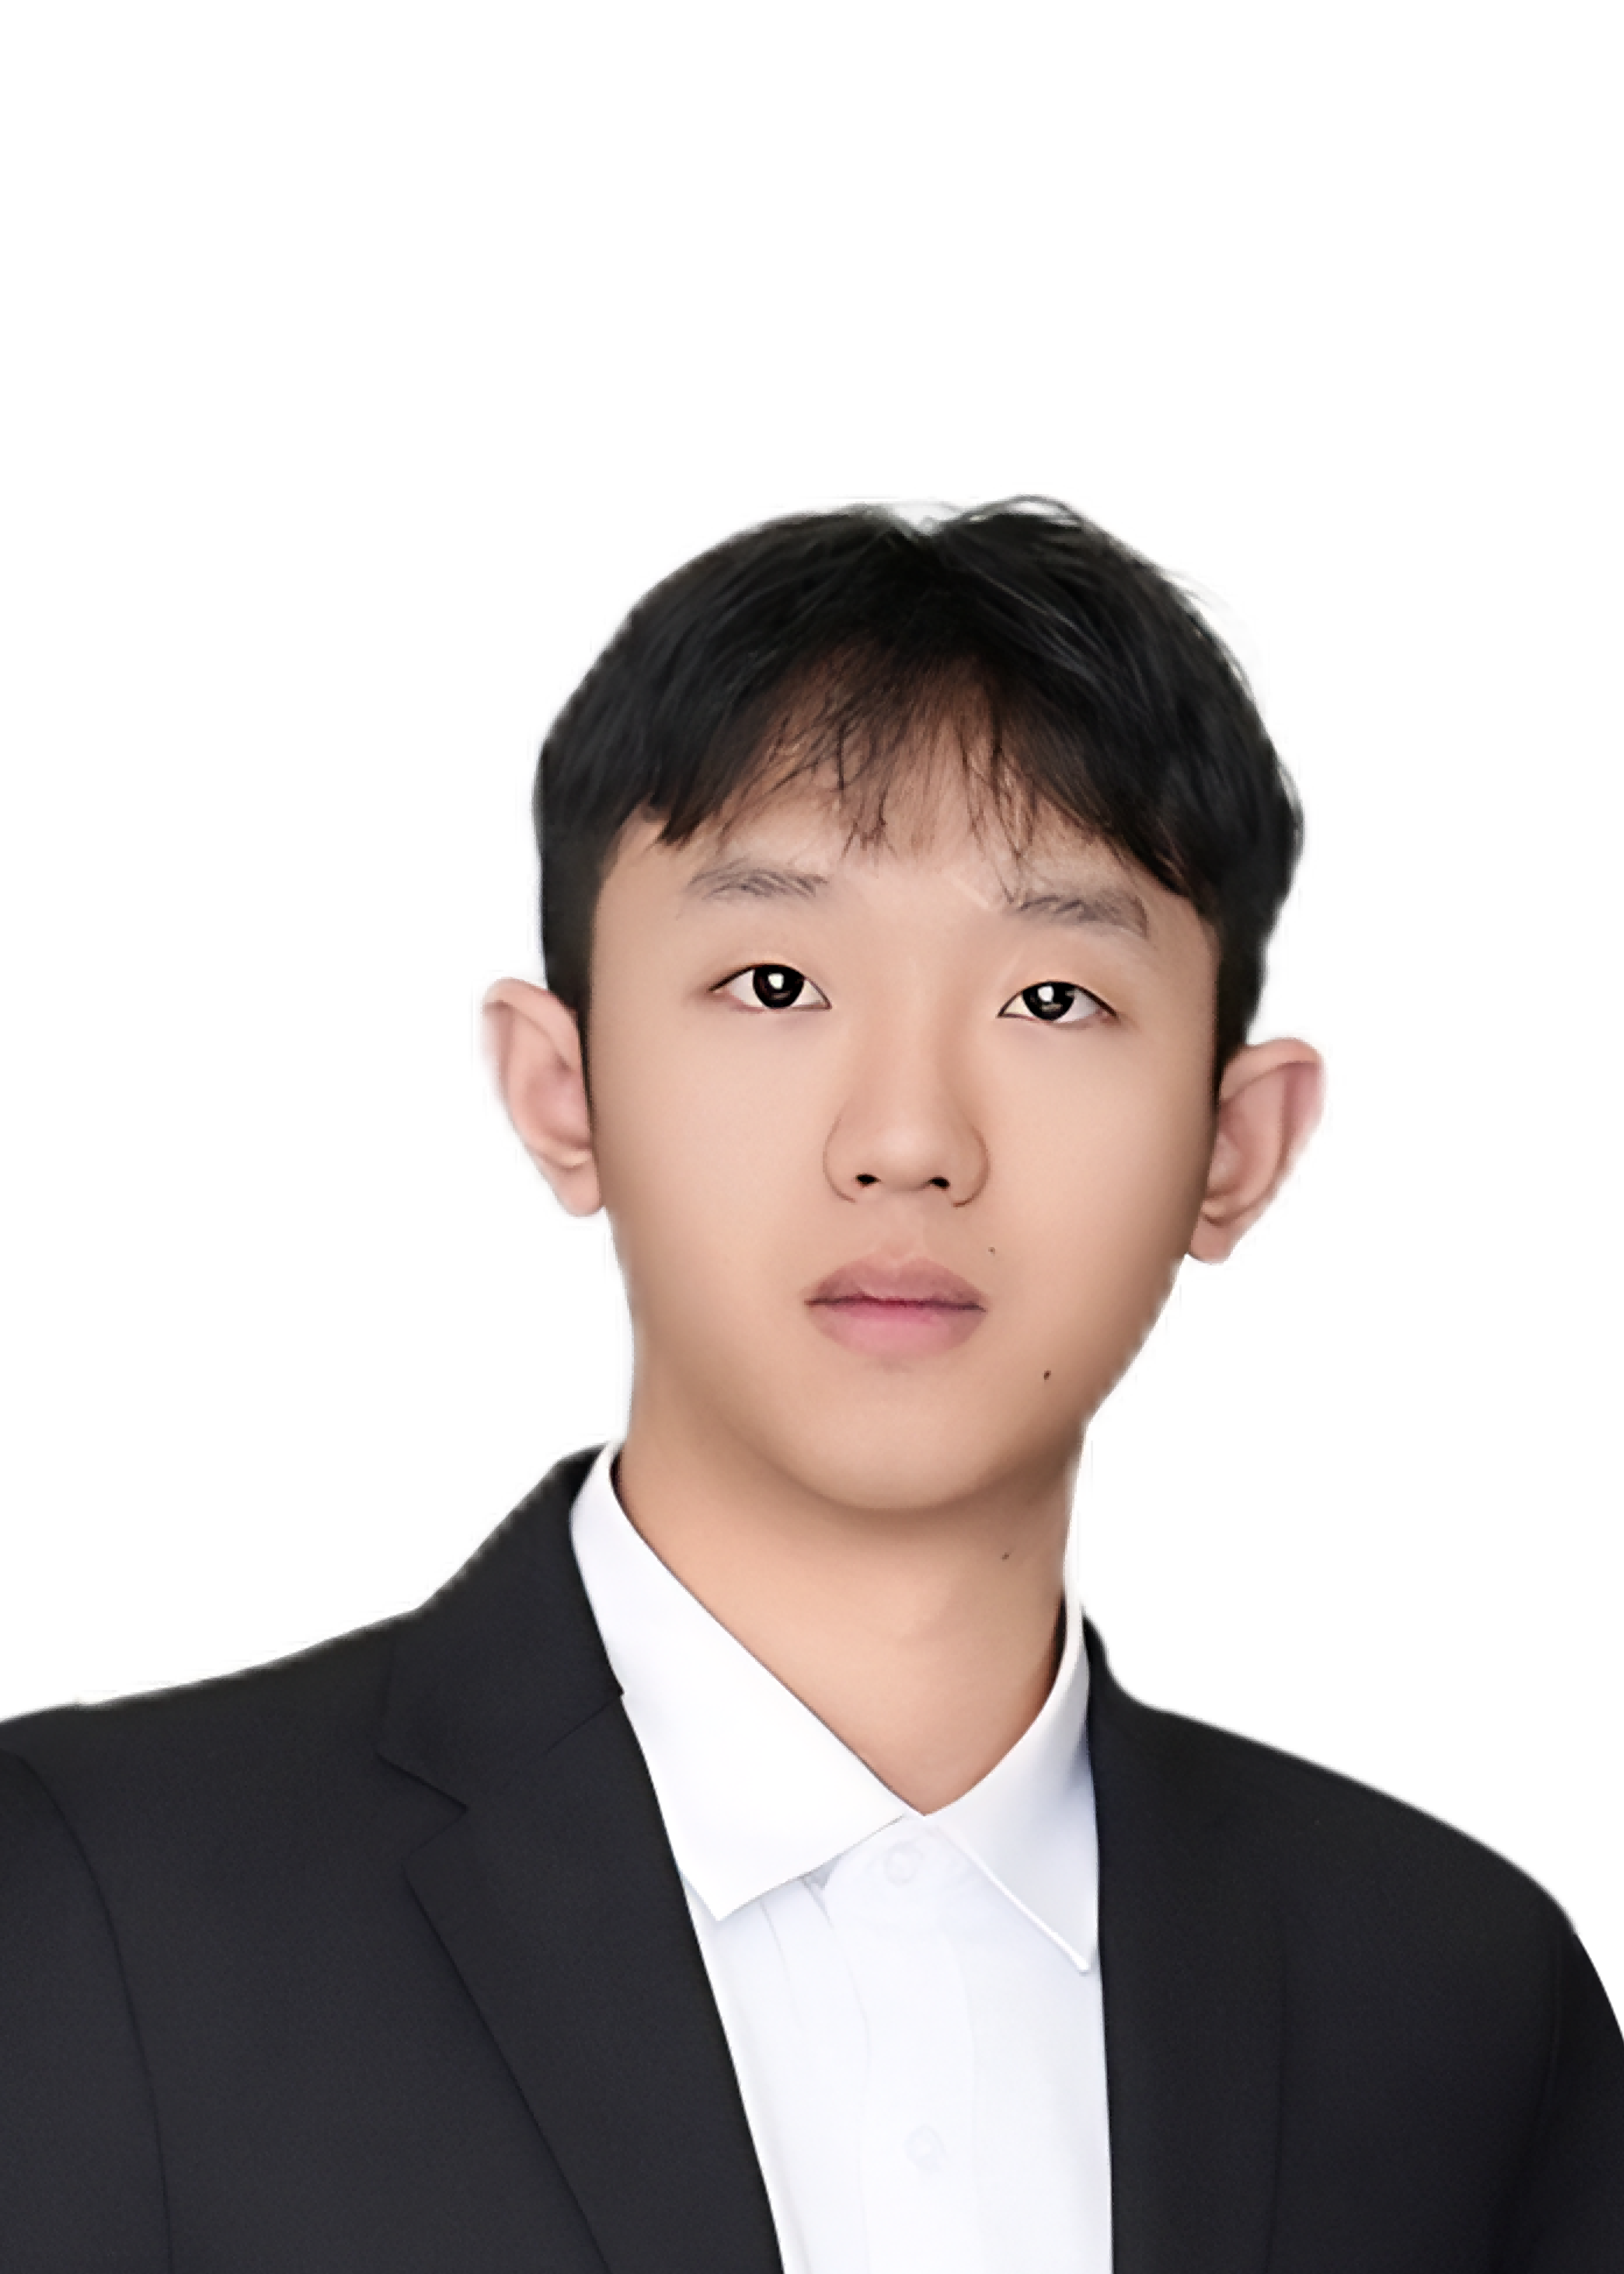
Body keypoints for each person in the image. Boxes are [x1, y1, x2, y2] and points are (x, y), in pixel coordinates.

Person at [2, 501, 1618, 2273]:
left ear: (1234, 1144)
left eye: (1052, 998)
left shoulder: (1461, 2001)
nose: (907, 1138)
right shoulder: (87, 1903)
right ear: (563, 1089)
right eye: (773, 982)